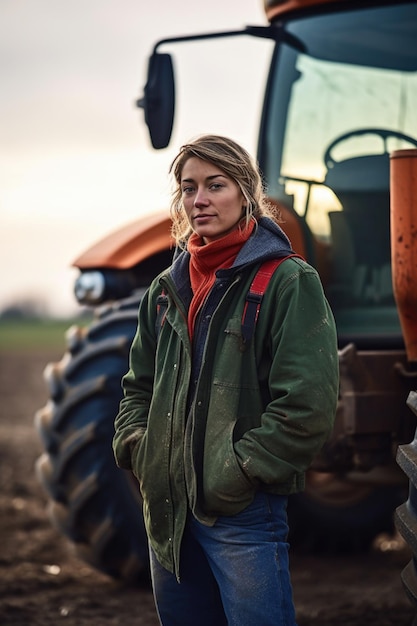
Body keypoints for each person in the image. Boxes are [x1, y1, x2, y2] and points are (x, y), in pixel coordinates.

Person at [113, 134, 339, 626]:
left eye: (215, 185)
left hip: (240, 514)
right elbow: (137, 388)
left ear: (246, 193)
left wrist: (239, 471)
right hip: (168, 513)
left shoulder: (286, 281)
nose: (200, 200)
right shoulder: (165, 289)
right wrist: (142, 449)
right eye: (189, 187)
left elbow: (307, 405)